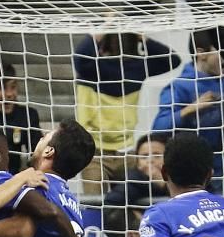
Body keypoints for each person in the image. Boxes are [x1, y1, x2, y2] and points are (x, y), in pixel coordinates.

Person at [73, 32, 180, 194]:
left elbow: (80, 57)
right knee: (134, 202)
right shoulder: (136, 69)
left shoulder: (91, 68)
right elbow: (172, 60)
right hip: (115, 150)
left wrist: (98, 33)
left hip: (101, 152)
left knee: (94, 206)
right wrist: (143, 37)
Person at [152, 30, 224, 183]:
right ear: (201, 54)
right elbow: (158, 128)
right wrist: (191, 108)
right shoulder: (179, 86)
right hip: (192, 170)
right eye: (222, 53)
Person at [102, 132, 170, 237]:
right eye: (144, 156)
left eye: (157, 155)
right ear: (137, 162)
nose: (150, 161)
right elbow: (111, 208)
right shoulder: (132, 180)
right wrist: (140, 223)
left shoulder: (182, 179)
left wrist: (164, 186)